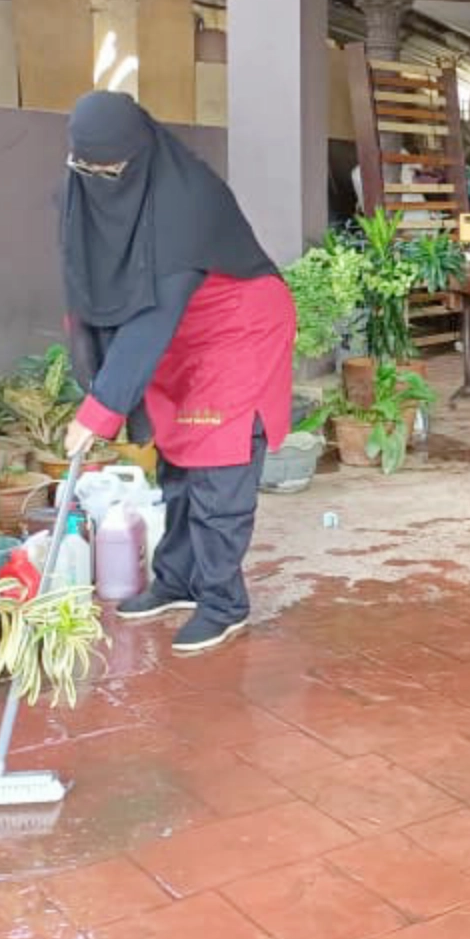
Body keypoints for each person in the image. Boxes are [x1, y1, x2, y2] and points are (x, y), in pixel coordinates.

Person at [58, 91, 295, 655]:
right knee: (179, 457)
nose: (99, 179)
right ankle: (179, 580)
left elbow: (154, 316)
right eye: (86, 169)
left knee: (218, 462)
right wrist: (99, 380)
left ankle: (222, 602)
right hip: (176, 332)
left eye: (111, 169)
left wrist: (100, 411)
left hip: (235, 327)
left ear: (137, 153)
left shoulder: (189, 202)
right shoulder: (90, 188)